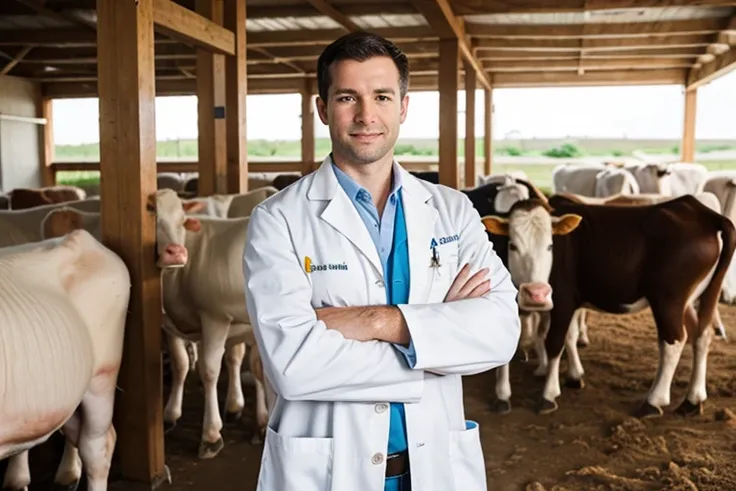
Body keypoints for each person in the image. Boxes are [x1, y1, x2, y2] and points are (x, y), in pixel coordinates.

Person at [243, 31, 521, 491]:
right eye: (348, 96)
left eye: (382, 96)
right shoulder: (279, 219)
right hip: (329, 472)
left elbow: (500, 333)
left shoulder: (451, 210)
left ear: (404, 107)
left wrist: (372, 321)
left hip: (434, 465)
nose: (366, 115)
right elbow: (292, 366)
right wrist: (436, 342)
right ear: (322, 108)